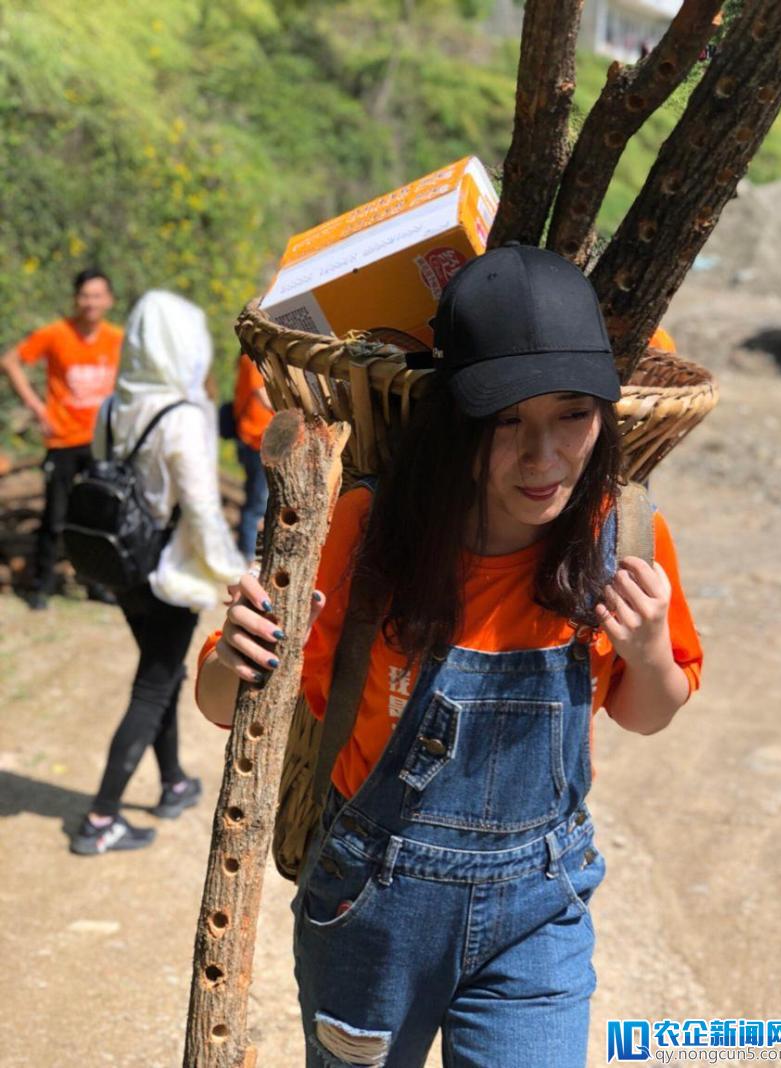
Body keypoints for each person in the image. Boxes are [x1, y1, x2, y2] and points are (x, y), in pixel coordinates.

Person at [195, 246, 703, 1066]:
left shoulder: (625, 537)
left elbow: (647, 714)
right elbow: (225, 704)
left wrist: (648, 653)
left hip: (542, 910)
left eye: (573, 413)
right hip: (370, 910)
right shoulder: (364, 533)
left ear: (607, 415)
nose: (543, 458)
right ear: (453, 422)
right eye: (506, 422)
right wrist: (242, 655)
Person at [71, 290, 246, 856]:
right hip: (167, 573)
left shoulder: (111, 406)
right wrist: (235, 574)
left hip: (120, 563)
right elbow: (200, 509)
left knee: (161, 675)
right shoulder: (183, 415)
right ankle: (100, 820)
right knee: (153, 685)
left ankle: (172, 782)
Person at [0, 268, 123, 609]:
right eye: (85, 295)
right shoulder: (56, 334)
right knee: (56, 516)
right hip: (63, 439)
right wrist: (37, 407)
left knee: (98, 516)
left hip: (101, 440)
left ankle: (95, 584)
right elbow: (10, 361)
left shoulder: (116, 338)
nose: (91, 302)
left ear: (109, 300)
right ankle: (42, 584)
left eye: (98, 295)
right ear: (75, 299)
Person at [232, 352, 273, 561]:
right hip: (256, 439)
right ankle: (245, 558)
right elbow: (261, 393)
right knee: (257, 504)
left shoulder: (251, 360)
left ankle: (244, 552)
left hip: (257, 439)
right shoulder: (253, 360)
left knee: (255, 501)